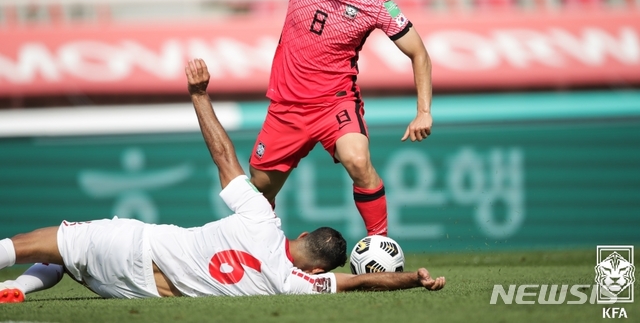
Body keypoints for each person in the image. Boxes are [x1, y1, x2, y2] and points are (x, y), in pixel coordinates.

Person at [0, 59, 446, 303]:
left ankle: (11, 271)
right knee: (63, 264)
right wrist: (413, 279)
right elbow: (364, 283)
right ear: (318, 271)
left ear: (304, 234)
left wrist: (199, 95)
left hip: (135, 246)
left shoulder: (261, 221)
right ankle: (15, 289)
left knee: (43, 242)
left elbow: (224, 157)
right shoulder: (291, 284)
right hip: (137, 292)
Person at [214, 0, 434, 237]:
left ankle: (381, 245)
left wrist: (423, 111)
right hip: (286, 107)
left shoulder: (377, 3)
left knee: (359, 162)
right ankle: (262, 251)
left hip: (335, 103)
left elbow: (419, 53)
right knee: (260, 191)